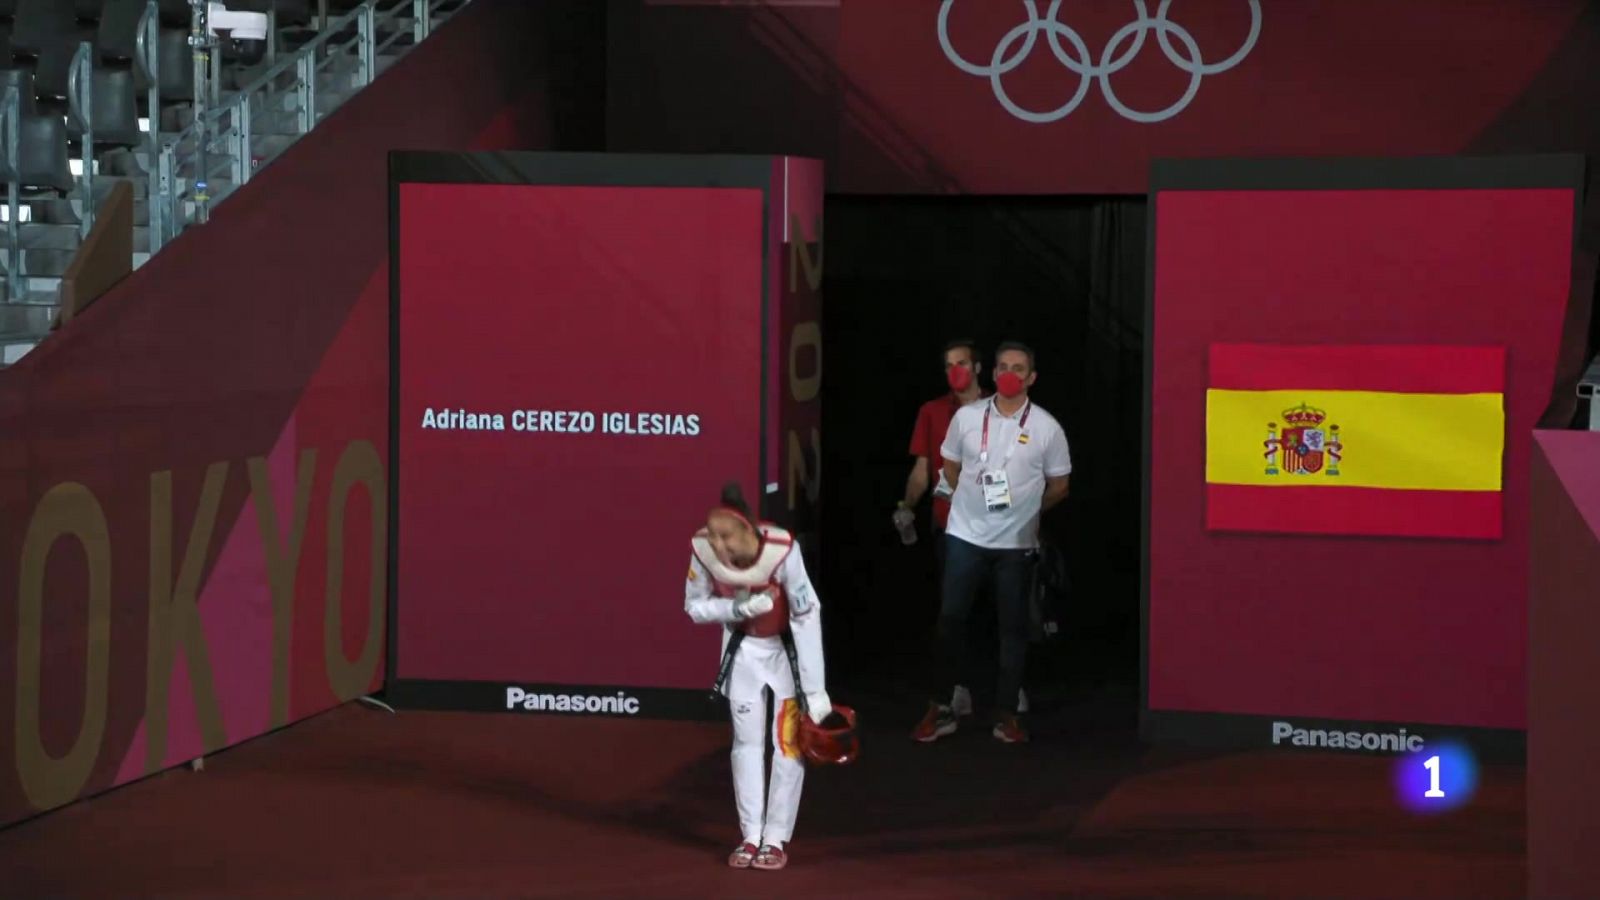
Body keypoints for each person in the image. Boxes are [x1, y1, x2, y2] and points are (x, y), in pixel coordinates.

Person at [912, 341, 1071, 744]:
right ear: (993, 372)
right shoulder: (967, 417)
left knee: (1012, 629)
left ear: (1031, 378)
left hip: (1015, 544)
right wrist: (965, 499)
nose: (1009, 374)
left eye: (1018, 368)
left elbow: (1060, 485)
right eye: (1003, 367)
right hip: (965, 535)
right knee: (950, 622)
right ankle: (941, 706)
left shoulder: (1047, 428)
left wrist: (1029, 511)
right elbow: (950, 464)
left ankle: (1006, 714)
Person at [685, 482, 831, 871]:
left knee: (787, 745)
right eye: (713, 535)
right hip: (743, 656)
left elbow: (806, 613)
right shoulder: (702, 552)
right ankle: (750, 835)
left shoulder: (782, 551)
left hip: (784, 656)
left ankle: (775, 838)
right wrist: (737, 608)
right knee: (745, 746)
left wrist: (815, 689)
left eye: (726, 536)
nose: (717, 544)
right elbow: (695, 607)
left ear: (748, 530)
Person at [894, 339, 1027, 717]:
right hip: (952, 527)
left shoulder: (1004, 408)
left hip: (1001, 528)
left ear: (978, 368)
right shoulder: (932, 412)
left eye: (963, 363)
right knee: (954, 614)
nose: (956, 371)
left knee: (1005, 611)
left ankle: (1010, 690)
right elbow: (922, 470)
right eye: (949, 365)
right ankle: (958, 687)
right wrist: (907, 504)